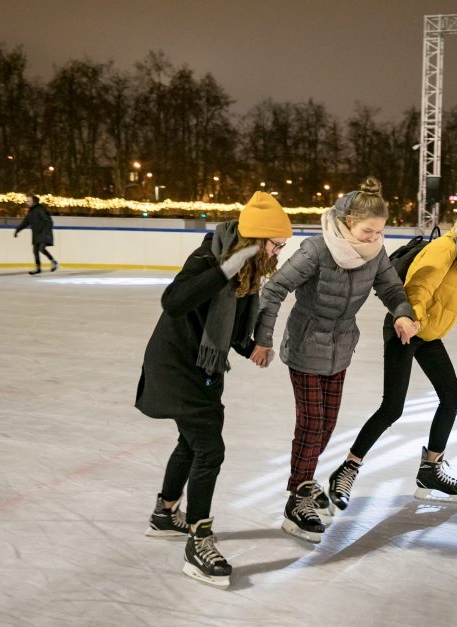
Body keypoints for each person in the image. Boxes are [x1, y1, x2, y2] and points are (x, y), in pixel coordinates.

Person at [135, 191, 291, 588]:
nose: (278, 252)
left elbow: (232, 331)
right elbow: (173, 303)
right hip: (176, 366)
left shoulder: (248, 274)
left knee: (192, 444)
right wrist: (224, 269)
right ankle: (198, 540)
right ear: (255, 241)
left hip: (203, 369)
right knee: (210, 448)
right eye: (276, 244)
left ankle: (165, 514)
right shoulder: (208, 259)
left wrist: (253, 345)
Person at [251, 177, 418, 544]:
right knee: (312, 424)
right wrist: (262, 339)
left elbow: (391, 288)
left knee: (326, 425)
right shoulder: (316, 250)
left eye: (380, 232)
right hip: (306, 345)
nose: (375, 239)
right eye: (367, 231)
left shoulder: (375, 254)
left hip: (341, 347)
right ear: (345, 222)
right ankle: (298, 499)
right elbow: (274, 288)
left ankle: (305, 484)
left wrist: (402, 313)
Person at [327, 199, 457, 508]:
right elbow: (419, 285)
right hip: (408, 327)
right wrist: (412, 319)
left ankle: (430, 469)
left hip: (428, 334)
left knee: (452, 396)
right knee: (392, 408)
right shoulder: (447, 248)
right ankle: (346, 469)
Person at [14, 194, 58, 275]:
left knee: (41, 248)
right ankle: (38, 268)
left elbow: (48, 221)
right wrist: (18, 230)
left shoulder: (40, 209)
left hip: (44, 233)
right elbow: (26, 222)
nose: (27, 202)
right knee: (35, 251)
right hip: (36, 234)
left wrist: (45, 231)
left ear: (34, 201)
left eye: (29, 201)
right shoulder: (31, 211)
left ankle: (53, 262)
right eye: (27, 201)